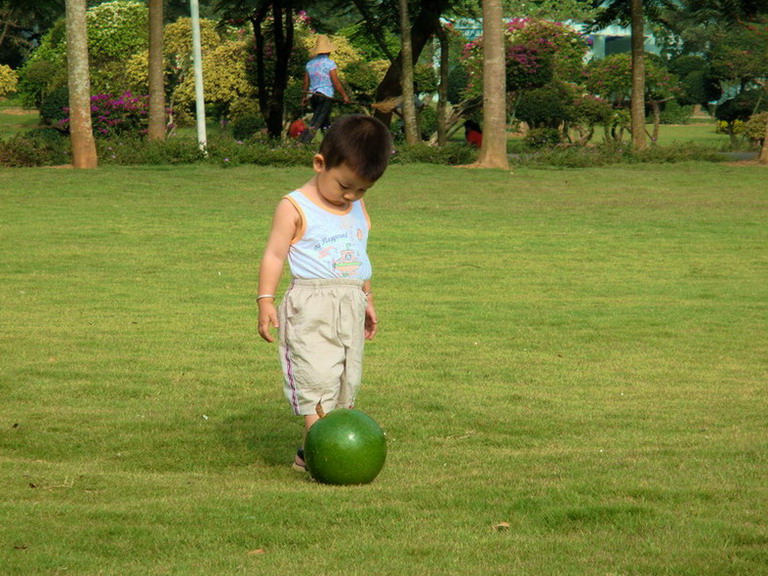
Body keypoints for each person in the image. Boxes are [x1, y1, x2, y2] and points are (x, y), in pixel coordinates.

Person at [257, 114, 393, 472]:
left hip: (350, 300)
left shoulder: (357, 207)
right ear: (320, 163)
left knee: (346, 379)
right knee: (315, 377)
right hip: (311, 304)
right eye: (344, 186)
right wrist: (265, 300)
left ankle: (315, 448)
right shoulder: (295, 206)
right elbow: (274, 254)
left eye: (362, 190)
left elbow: (358, 255)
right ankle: (321, 454)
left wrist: (368, 298)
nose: (351, 196)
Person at [299, 35, 350, 144]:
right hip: (325, 95)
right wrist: (344, 96)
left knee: (325, 122)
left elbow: (305, 82)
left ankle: (332, 144)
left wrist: (304, 97)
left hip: (312, 95)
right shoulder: (330, 63)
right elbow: (336, 82)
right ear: (328, 51)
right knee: (317, 121)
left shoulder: (310, 64)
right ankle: (302, 142)